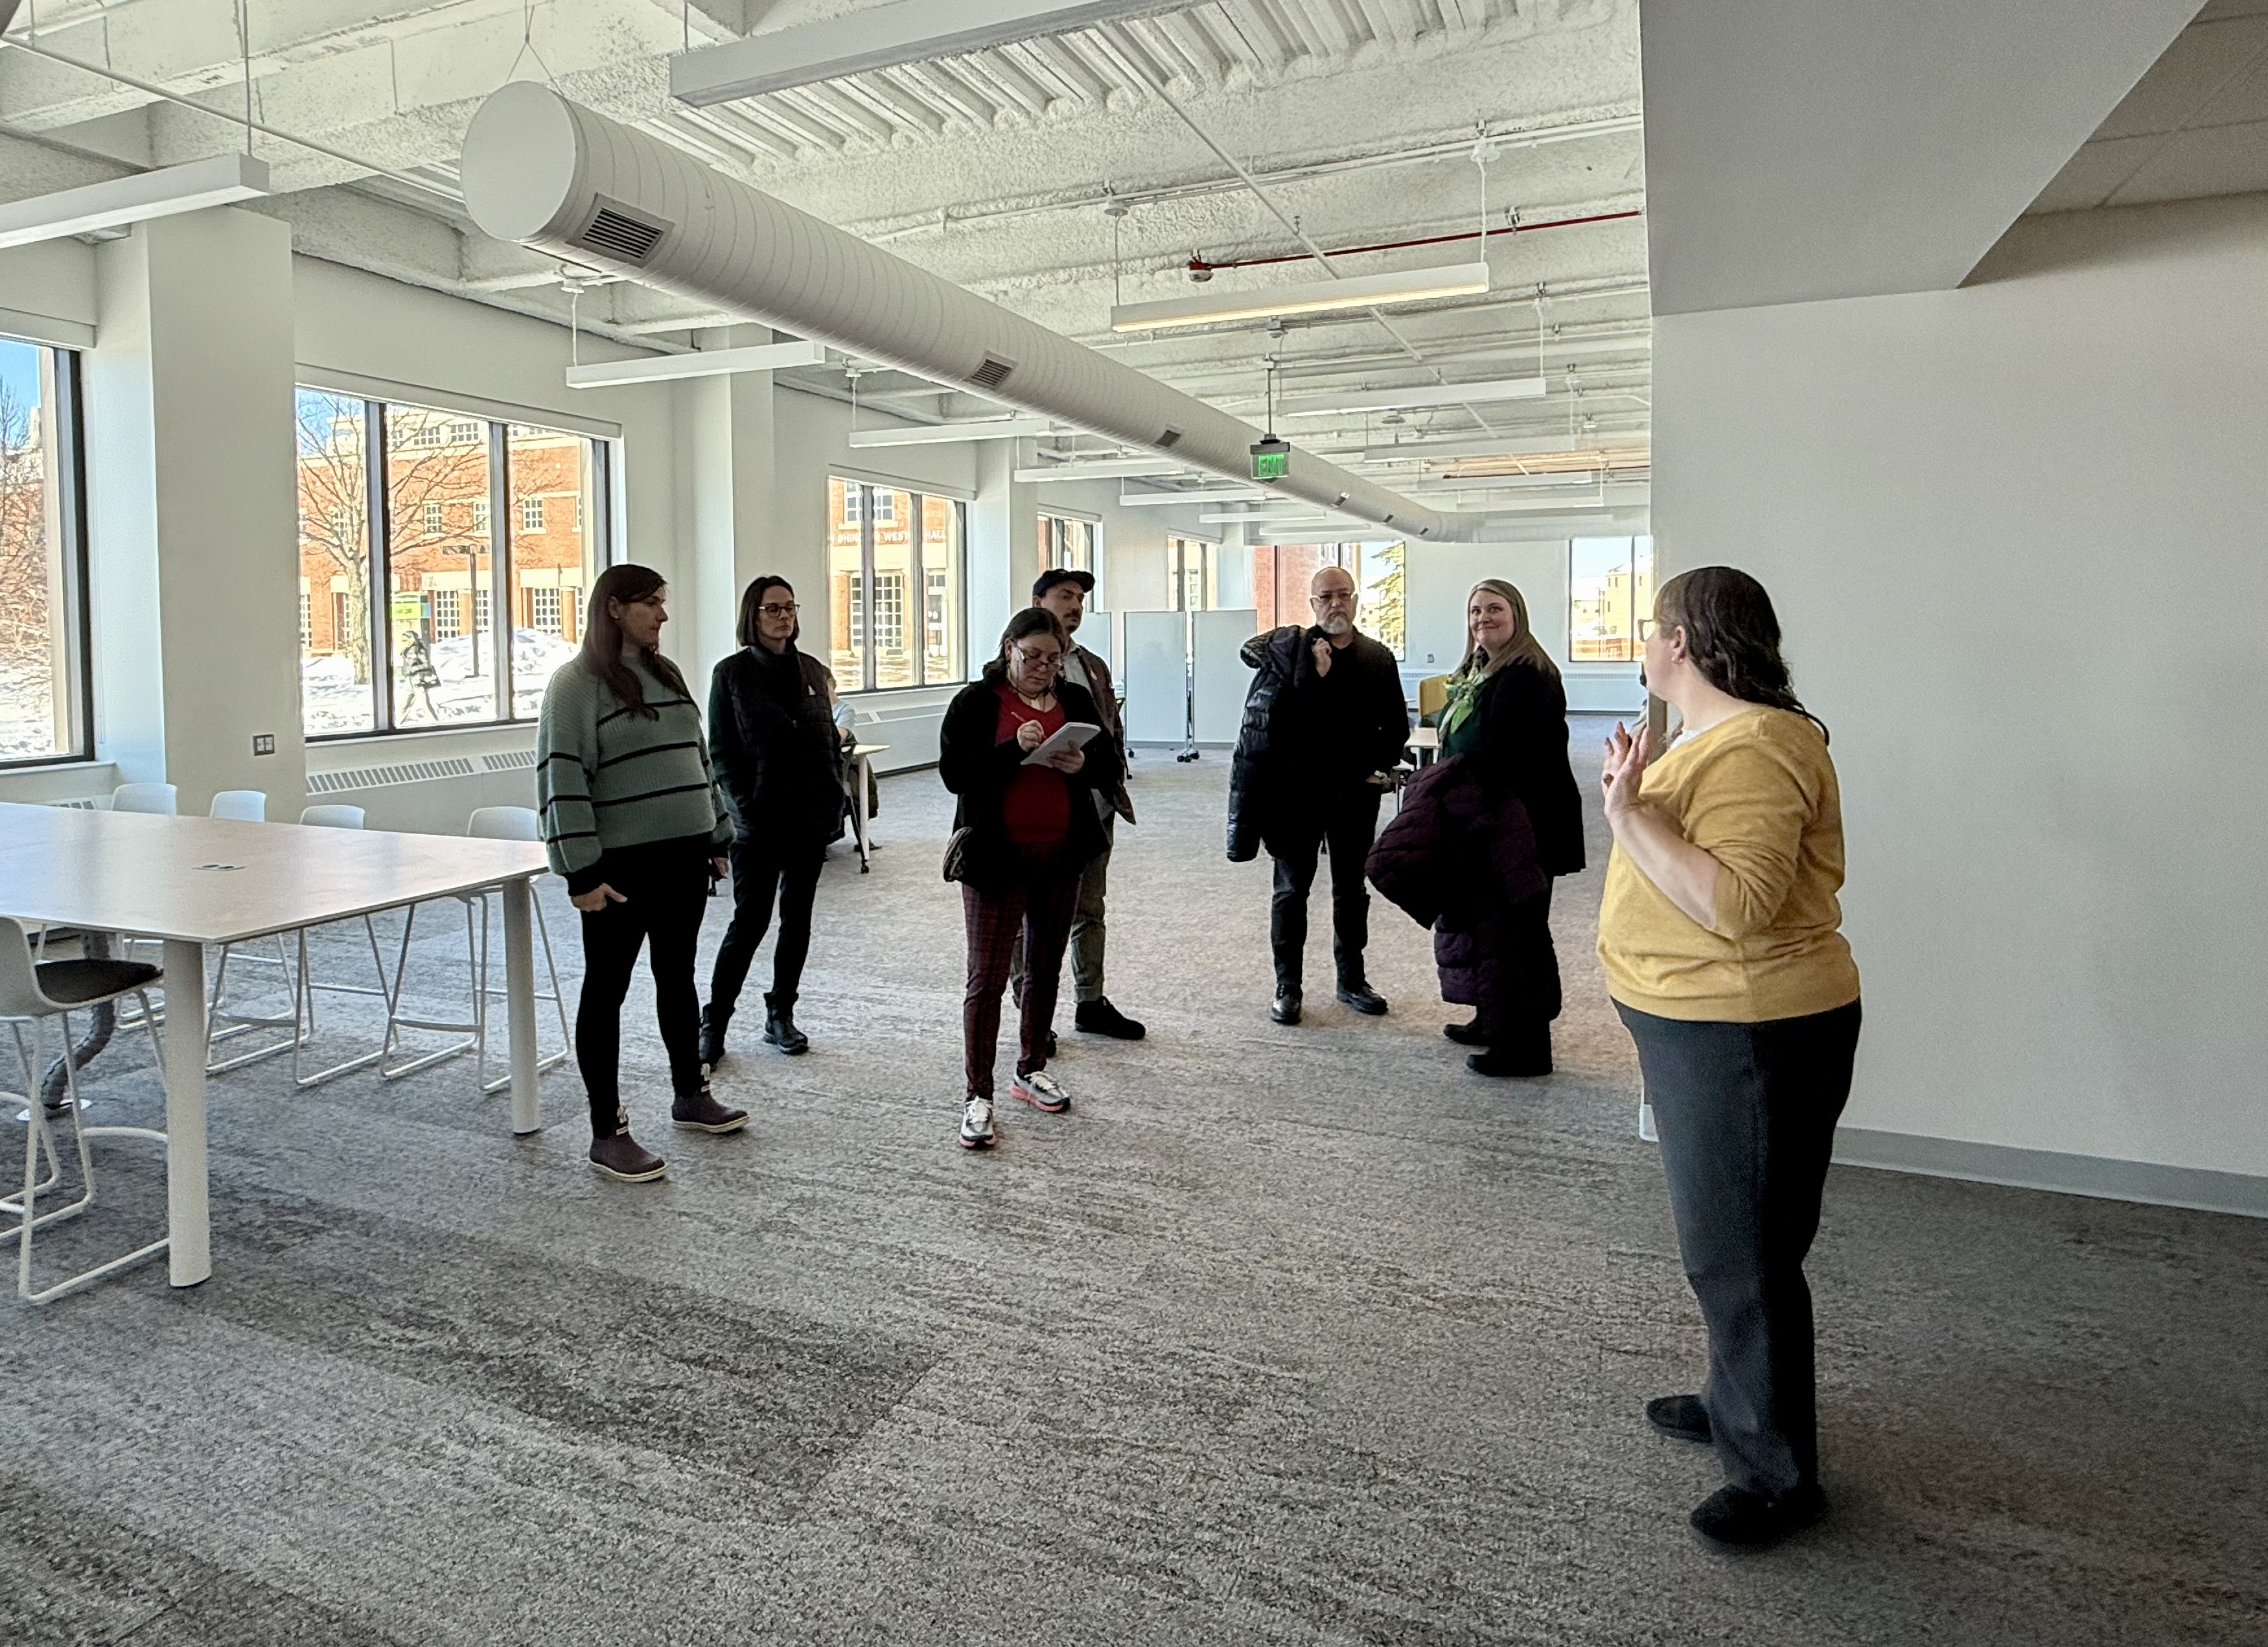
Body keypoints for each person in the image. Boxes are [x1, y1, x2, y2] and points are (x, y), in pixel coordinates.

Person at [1596, 565, 1862, 1548]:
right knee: (1743, 1240)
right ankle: (1741, 1399)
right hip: (1713, 1026)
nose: (1645, 643)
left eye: (1653, 628)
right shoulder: (1727, 736)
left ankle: (1777, 1475)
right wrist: (1643, 791)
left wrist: (1628, 814)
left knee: (1738, 1254)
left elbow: (1734, 905)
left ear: (1687, 642)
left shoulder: (1753, 748)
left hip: (1745, 1031)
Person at [537, 563, 745, 1182]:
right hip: (619, 868)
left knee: (677, 978)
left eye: (662, 600)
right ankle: (608, 1130)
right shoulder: (575, 686)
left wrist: (716, 833)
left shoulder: (666, 672)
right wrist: (579, 873)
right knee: (607, 992)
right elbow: (562, 779)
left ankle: (690, 1093)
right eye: (651, 603)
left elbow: (697, 759)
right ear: (613, 609)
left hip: (684, 858)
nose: (662, 614)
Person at [940, 608, 1118, 1151]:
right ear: (1008, 648)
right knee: (988, 979)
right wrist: (1014, 750)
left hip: (1062, 851)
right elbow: (956, 776)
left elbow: (1108, 767)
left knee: (1044, 968)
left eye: (1053, 659)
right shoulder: (977, 702)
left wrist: (1079, 766)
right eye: (1033, 656)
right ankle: (978, 1093)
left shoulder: (1076, 700)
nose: (1044, 667)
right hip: (997, 855)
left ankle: (1031, 1066)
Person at [1227, 564, 1409, 1025]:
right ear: (1312, 604)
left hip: (1356, 794)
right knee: (1291, 890)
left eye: (1343, 594)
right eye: (1325, 596)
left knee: (1352, 890)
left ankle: (1352, 980)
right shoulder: (1291, 654)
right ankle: (1287, 986)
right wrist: (1317, 679)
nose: (1336, 603)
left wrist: (1370, 764)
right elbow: (1275, 725)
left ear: (1355, 599)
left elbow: (1395, 730)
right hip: (1296, 795)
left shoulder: (1378, 657)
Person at [1433, 579, 1585, 1075]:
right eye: (1475, 610)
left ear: (1516, 614)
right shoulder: (1480, 671)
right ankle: (1493, 1019)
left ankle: (1526, 1049)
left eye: (1494, 608)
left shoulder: (1525, 676)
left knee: (1519, 936)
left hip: (1525, 829)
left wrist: (1442, 783)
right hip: (1492, 823)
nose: (1483, 618)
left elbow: (1502, 758)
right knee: (1491, 933)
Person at [702, 575, 846, 1068]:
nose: (784, 616)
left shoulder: (810, 669)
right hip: (758, 824)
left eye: (789, 606)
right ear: (753, 615)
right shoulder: (731, 674)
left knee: (797, 919)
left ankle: (780, 1012)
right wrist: (743, 807)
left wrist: (835, 799)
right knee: (750, 922)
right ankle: (714, 1021)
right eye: (772, 608)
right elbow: (719, 750)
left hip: (809, 819)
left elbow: (827, 738)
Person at [1008, 567, 1144, 1042]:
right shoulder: (1009, 667)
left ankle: (1091, 1000)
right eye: (1065, 595)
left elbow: (1109, 731)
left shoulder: (1092, 664)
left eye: (1081, 599)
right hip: (1036, 812)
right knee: (1028, 915)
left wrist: (1108, 778)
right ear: (1037, 600)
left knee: (1090, 907)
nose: (1074, 605)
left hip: (1093, 805)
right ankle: (1033, 1014)